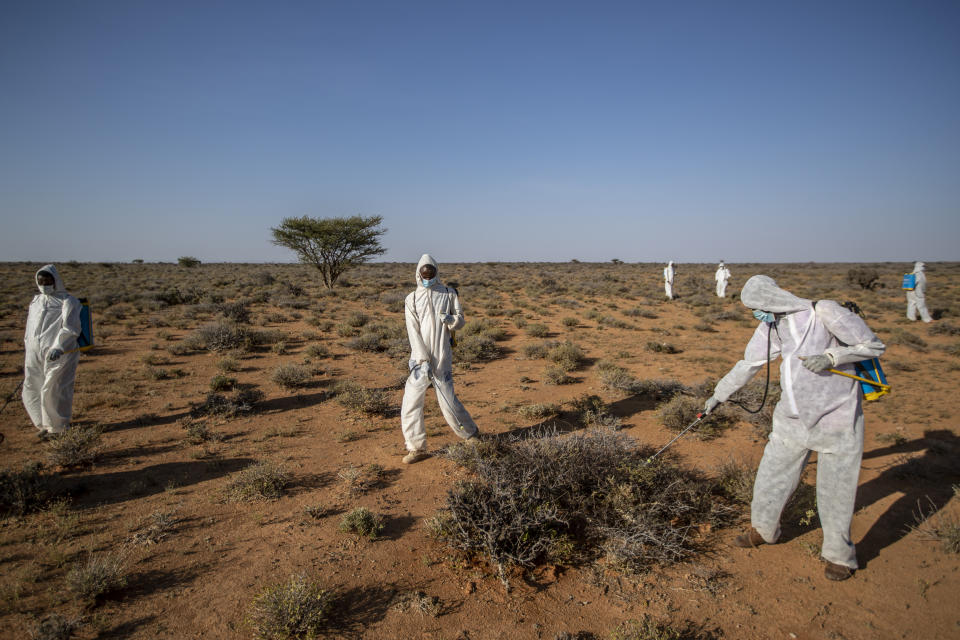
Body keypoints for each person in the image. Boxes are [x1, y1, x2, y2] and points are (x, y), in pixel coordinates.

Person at [703, 275, 884, 581]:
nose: (756, 313)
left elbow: (873, 345)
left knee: (836, 490)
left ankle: (839, 556)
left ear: (771, 300)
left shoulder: (824, 311)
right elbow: (748, 364)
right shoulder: (771, 326)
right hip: (791, 418)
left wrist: (832, 357)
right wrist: (718, 396)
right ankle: (763, 530)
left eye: (757, 307)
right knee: (771, 476)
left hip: (836, 418)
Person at [400, 254, 480, 463]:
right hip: (419, 360)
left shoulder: (448, 293)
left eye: (431, 273)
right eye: (424, 274)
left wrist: (452, 320)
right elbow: (413, 331)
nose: (427, 277)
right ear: (418, 274)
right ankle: (416, 448)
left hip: (442, 355)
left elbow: (461, 321)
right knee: (411, 402)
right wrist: (421, 358)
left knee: (448, 401)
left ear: (436, 272)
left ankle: (470, 434)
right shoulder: (411, 299)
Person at [23, 265, 82, 438]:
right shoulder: (36, 302)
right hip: (34, 352)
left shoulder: (68, 301)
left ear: (55, 281)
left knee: (54, 388)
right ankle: (43, 423)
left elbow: (70, 328)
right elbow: (30, 328)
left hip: (60, 353)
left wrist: (59, 346)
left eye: (48, 281)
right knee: (33, 386)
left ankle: (58, 427)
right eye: (41, 281)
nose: (44, 284)